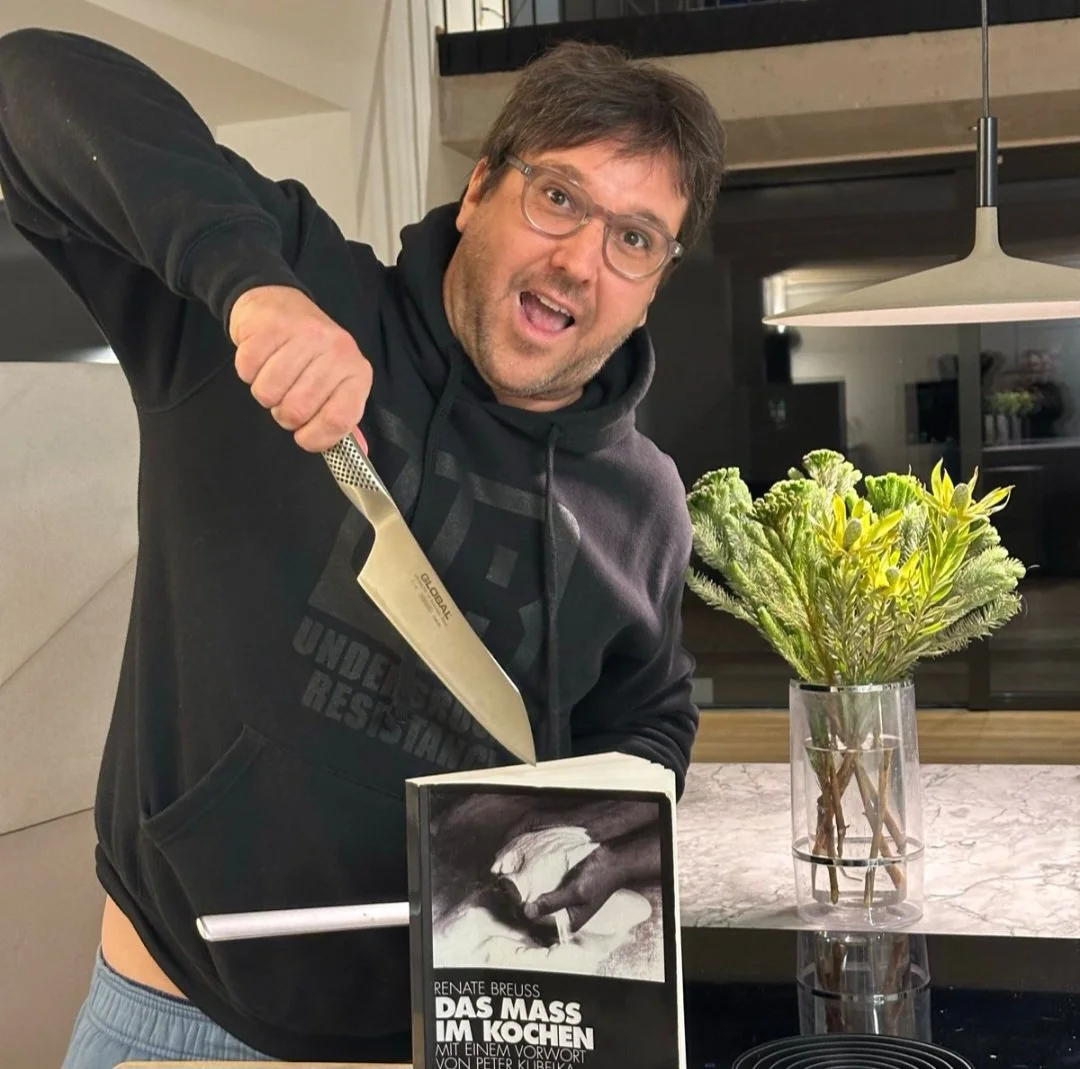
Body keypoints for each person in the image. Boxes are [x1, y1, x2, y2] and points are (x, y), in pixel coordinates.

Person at [0, 25, 726, 1068]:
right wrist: (250, 287)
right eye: (558, 196)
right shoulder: (298, 288)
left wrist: (604, 841)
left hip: (461, 1033)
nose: (580, 259)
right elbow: (31, 83)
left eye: (636, 238)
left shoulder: (646, 501)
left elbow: (649, 715)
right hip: (177, 1023)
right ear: (478, 189)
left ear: (656, 278)